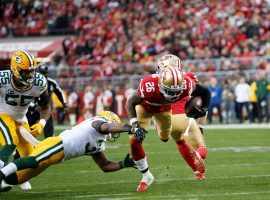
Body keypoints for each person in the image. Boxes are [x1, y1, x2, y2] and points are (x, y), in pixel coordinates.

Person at [0, 111, 144, 192]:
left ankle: (4, 176)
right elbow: (105, 127)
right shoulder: (97, 122)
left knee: (14, 179)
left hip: (57, 157)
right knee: (32, 161)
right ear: (110, 120)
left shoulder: (99, 143)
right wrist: (131, 128)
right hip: (59, 144)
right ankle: (1, 172)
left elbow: (105, 166)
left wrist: (124, 163)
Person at [125, 65, 209, 192]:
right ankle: (146, 176)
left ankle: (198, 170)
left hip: (164, 111)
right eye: (170, 91)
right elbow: (129, 103)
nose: (173, 95)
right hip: (144, 108)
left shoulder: (187, 84)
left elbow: (205, 92)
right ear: (160, 83)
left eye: (176, 92)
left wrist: (202, 109)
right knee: (135, 140)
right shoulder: (149, 85)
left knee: (164, 138)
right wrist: (135, 125)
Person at [0, 50, 51, 188]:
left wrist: (41, 123)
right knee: (11, 142)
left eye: (31, 71)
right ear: (15, 70)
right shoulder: (3, 79)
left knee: (32, 157)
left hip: (21, 118)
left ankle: (15, 178)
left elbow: (46, 107)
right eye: (25, 72)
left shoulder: (39, 82)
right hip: (2, 113)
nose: (29, 75)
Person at [158, 54, 211, 180]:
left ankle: (198, 173)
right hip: (184, 117)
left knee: (180, 142)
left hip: (166, 121)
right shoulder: (187, 78)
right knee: (201, 149)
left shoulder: (156, 81)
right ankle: (197, 155)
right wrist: (201, 125)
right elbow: (204, 96)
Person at [26, 65, 69, 138]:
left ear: (47, 74)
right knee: (28, 130)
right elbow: (25, 96)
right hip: (32, 110)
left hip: (45, 109)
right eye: (41, 73)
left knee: (49, 132)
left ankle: (49, 145)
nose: (42, 75)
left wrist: (64, 104)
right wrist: (34, 106)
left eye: (44, 73)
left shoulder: (51, 83)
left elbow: (60, 93)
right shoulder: (31, 82)